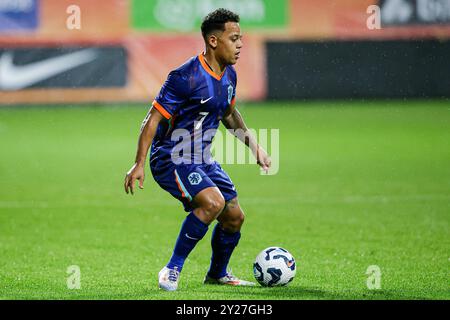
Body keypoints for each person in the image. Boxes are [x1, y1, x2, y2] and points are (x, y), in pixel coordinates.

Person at [124, 8, 271, 291]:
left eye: (241, 38)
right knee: (213, 203)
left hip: (202, 159)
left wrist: (256, 147)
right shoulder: (185, 76)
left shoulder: (230, 75)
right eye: (234, 38)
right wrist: (138, 163)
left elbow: (229, 115)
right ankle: (172, 268)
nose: (240, 44)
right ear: (214, 41)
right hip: (171, 157)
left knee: (234, 217)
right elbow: (153, 118)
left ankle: (217, 274)